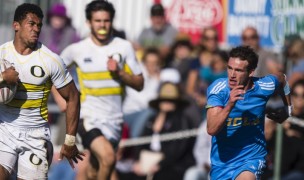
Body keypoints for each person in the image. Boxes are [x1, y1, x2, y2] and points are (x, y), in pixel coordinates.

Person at [58, 1, 144, 179]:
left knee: (94, 169)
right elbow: (54, 73)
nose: (102, 25)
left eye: (106, 20)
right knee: (109, 158)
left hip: (114, 120)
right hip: (88, 117)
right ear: (89, 22)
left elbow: (139, 83)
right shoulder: (77, 49)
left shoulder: (124, 47)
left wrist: (119, 72)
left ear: (111, 21)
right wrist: (62, 100)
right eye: (98, 21)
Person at [0, 3, 83, 179]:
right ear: (16, 25)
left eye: (39, 25)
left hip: (35, 135)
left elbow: (73, 97)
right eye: (31, 24)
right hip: (4, 129)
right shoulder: (1, 54)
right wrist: (2, 79)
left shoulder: (51, 60)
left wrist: (69, 140)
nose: (36, 29)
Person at [206, 46, 292, 179]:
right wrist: (230, 104)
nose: (232, 75)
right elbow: (211, 129)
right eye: (230, 68)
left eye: (238, 70)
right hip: (222, 163)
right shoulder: (218, 90)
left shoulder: (263, 86)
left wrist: (288, 110)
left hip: (252, 158)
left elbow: (282, 79)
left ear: (251, 72)